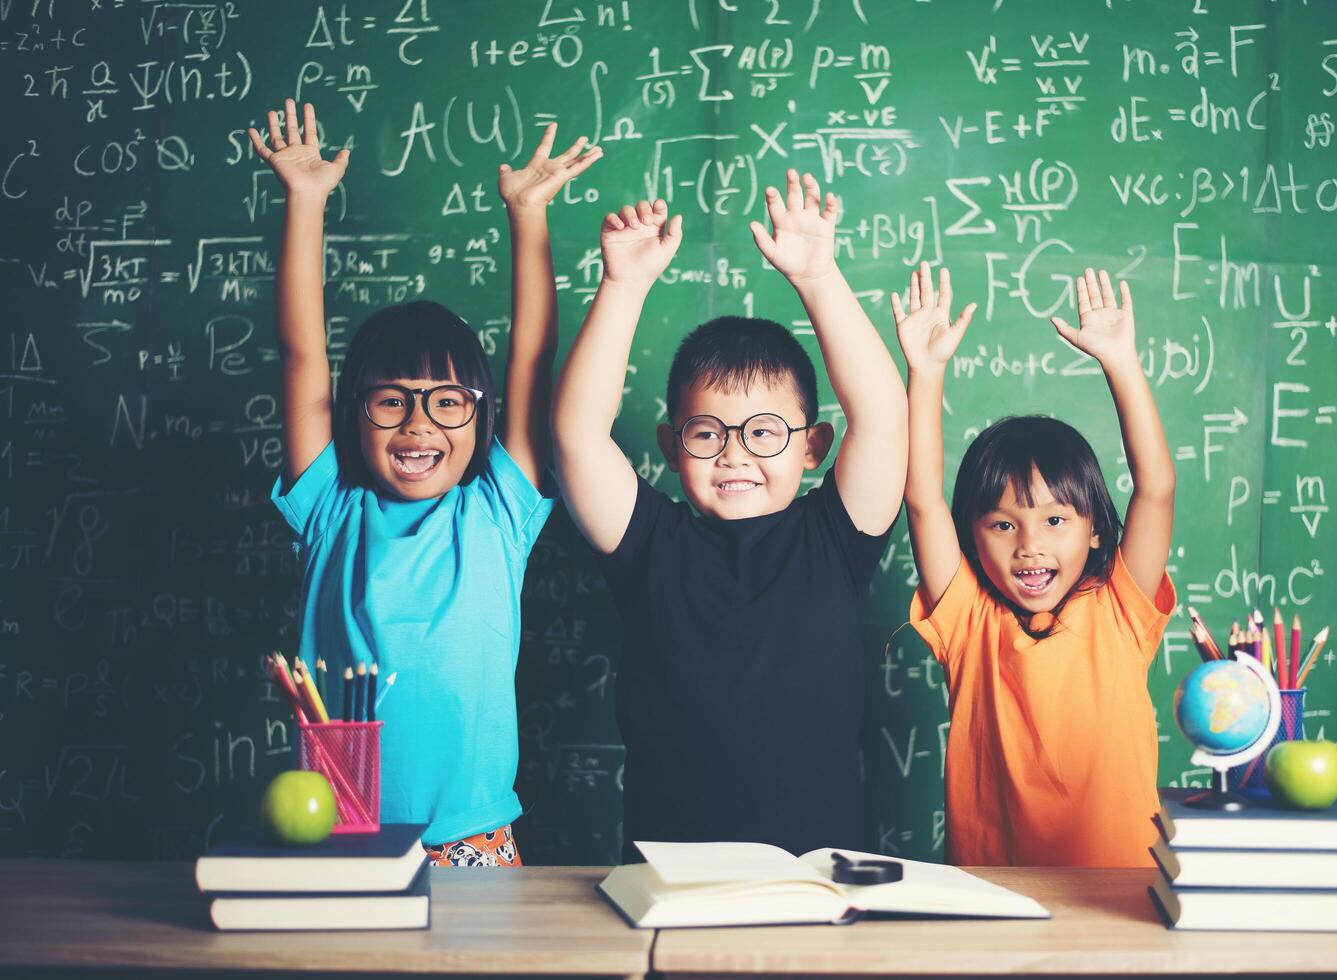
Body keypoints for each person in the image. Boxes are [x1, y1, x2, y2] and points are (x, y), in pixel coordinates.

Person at [250, 98, 599, 866]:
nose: (419, 425)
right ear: (354, 414)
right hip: (338, 828)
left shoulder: (498, 510)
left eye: (447, 403)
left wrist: (528, 216)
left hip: (470, 838)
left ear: (479, 418)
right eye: (391, 401)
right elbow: (302, 356)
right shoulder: (329, 509)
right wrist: (304, 202)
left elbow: (532, 359)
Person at [551, 172, 908, 860]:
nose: (734, 454)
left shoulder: (834, 538)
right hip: (667, 880)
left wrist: (818, 277)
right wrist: (622, 287)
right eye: (707, 432)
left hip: (817, 880)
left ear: (813, 447)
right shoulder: (647, 542)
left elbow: (885, 417)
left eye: (764, 431)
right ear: (671, 446)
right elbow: (576, 436)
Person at [897, 263, 1176, 867]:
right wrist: (926, 372)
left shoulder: (1121, 612)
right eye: (1002, 524)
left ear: (1096, 528)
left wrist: (1121, 363)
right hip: (998, 904)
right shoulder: (968, 622)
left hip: (1120, 901)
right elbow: (921, 497)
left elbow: (1156, 489)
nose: (1029, 544)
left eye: (1055, 520)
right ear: (972, 536)